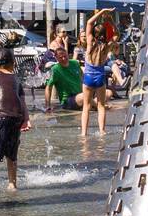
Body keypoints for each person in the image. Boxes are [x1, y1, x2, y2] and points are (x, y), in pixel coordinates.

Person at [0, 47, 31, 191]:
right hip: (17, 117)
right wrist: (26, 119)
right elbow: (22, 101)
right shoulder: (16, 78)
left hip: (1, 116)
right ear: (13, 63)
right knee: (11, 152)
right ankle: (12, 184)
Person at [80, 7, 116, 136]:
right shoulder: (106, 46)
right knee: (101, 106)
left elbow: (89, 23)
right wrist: (110, 20)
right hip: (100, 77)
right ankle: (102, 131)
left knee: (86, 106)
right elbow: (116, 35)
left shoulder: (90, 43)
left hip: (89, 77)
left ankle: (84, 133)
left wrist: (101, 12)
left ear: (94, 34)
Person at [44, 41, 83, 111]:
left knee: (108, 93)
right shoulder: (55, 69)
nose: (64, 59)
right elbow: (48, 87)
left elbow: (82, 77)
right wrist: (47, 105)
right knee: (85, 96)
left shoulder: (75, 63)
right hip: (68, 100)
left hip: (80, 95)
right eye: (60, 57)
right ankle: (98, 105)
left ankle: (91, 104)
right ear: (56, 58)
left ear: (67, 54)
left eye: (65, 56)